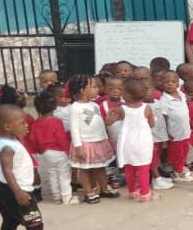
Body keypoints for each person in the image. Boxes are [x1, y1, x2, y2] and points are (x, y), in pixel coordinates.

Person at [0, 104, 69, 230]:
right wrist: (18, 192)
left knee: (10, 220)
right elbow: (7, 171)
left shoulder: (5, 140)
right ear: (8, 126)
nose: (27, 125)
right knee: (33, 219)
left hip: (4, 188)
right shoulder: (7, 147)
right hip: (17, 190)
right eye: (22, 123)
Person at [68, 74, 117, 204]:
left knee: (101, 167)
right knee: (85, 169)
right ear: (83, 90)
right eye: (94, 87)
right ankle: (89, 192)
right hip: (85, 143)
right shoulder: (75, 108)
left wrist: (105, 137)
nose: (97, 89)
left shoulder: (94, 105)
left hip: (99, 141)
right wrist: (78, 146)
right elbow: (74, 129)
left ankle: (104, 189)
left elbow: (99, 123)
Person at [106, 77, 157, 202]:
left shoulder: (121, 109)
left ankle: (132, 192)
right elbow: (152, 124)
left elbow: (108, 123)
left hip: (127, 143)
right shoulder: (147, 108)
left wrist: (110, 113)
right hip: (143, 142)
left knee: (129, 169)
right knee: (143, 169)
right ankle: (145, 194)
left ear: (127, 96)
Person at [27, 90, 77, 205]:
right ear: (54, 107)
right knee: (64, 174)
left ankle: (56, 196)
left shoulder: (35, 123)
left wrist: (39, 151)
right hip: (59, 152)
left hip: (45, 153)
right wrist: (69, 152)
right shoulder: (56, 122)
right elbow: (61, 139)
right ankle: (66, 196)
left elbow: (32, 139)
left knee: (52, 174)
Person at [159, 70, 193, 182]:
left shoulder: (181, 94)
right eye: (166, 82)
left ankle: (181, 168)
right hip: (175, 133)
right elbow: (163, 118)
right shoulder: (164, 100)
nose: (170, 84)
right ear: (161, 84)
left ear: (178, 83)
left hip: (185, 131)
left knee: (185, 151)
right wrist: (166, 133)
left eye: (173, 82)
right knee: (176, 154)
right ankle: (178, 172)